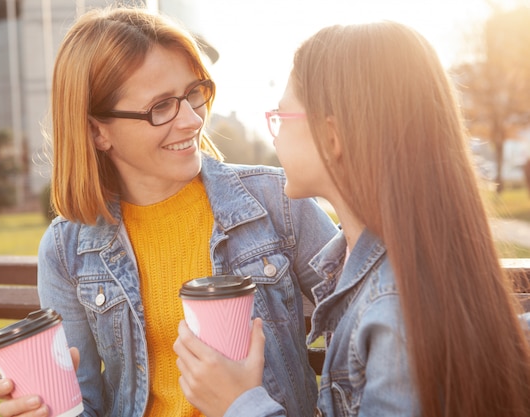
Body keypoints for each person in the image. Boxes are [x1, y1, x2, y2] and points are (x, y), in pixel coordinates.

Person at [0, 6, 339, 417]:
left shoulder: (276, 200)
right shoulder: (66, 250)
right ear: (98, 132)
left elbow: (366, 326)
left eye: (194, 93)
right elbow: (83, 404)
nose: (192, 120)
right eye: (161, 107)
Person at [174, 21, 530, 417]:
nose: (273, 134)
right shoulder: (396, 266)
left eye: (281, 116)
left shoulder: (394, 313)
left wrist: (238, 404)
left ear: (332, 136)